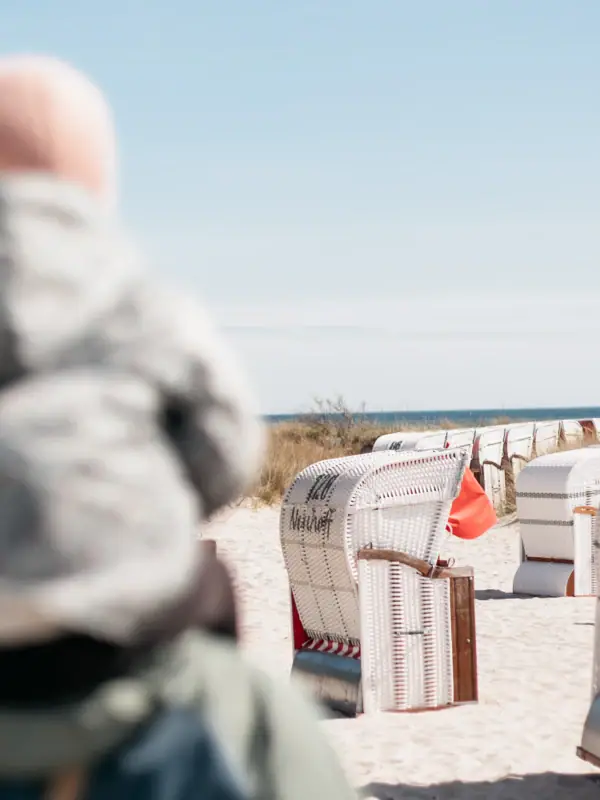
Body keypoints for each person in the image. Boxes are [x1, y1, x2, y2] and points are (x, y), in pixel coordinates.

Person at [0, 55, 357, 800]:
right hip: (120, 653)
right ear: (98, 185)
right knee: (267, 723)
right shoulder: (137, 297)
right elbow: (225, 450)